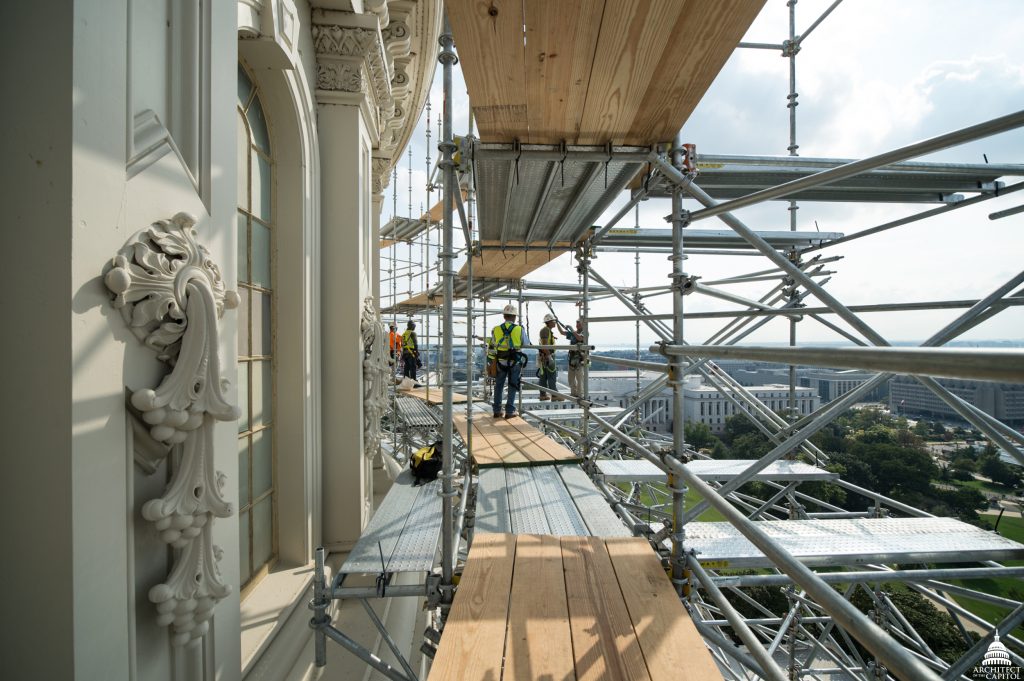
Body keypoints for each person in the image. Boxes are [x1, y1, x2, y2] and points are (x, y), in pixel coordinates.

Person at [489, 304, 525, 418]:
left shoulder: (496, 329)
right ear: (514, 317)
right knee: (512, 385)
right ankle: (509, 411)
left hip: (500, 360)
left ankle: (497, 410)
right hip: (514, 361)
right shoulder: (519, 329)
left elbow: (493, 344)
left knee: (499, 385)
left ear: (504, 316)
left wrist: (490, 362)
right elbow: (526, 343)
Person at [537, 312, 562, 401]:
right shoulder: (546, 330)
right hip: (547, 355)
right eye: (553, 321)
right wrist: (549, 357)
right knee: (551, 376)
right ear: (549, 322)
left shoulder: (547, 330)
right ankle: (555, 395)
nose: (554, 323)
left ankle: (543, 395)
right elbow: (544, 345)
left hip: (544, 356)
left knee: (544, 376)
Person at [566, 318, 586, 398]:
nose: (577, 325)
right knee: (571, 378)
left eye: (579, 323)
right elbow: (562, 333)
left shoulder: (584, 332)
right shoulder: (574, 332)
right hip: (572, 358)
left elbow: (579, 338)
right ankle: (573, 393)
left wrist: (571, 329)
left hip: (579, 359)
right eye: (577, 323)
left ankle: (580, 395)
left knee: (579, 378)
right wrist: (557, 323)